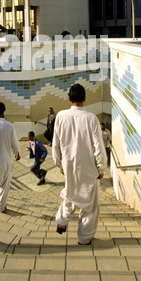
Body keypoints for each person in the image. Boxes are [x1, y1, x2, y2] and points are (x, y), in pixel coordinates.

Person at [52, 84, 107, 245]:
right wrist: (101, 167)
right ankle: (84, 237)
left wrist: (59, 164)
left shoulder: (61, 116)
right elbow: (99, 147)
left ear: (69, 99)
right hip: (89, 167)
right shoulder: (91, 118)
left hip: (69, 165)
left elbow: (56, 143)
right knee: (89, 204)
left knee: (70, 193)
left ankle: (62, 221)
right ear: (84, 99)